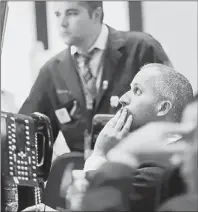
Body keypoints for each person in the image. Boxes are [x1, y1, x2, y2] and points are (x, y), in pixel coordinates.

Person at [19, 1, 171, 153]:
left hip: (140, 165)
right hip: (84, 171)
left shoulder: (141, 48)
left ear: (96, 14)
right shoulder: (52, 71)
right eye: (57, 14)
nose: (62, 23)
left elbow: (175, 109)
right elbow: (25, 132)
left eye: (72, 13)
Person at [43, 63, 193, 210]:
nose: (122, 98)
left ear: (163, 108)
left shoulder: (155, 173)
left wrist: (99, 153)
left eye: (137, 91)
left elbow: (91, 206)